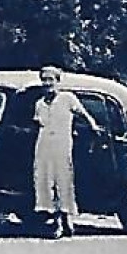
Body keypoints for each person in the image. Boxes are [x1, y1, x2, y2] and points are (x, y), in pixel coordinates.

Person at [33, 65, 100, 238]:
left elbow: (83, 114)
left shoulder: (67, 98)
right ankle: (56, 222)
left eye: (51, 79)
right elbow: (38, 123)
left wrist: (92, 126)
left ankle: (67, 218)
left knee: (63, 180)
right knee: (46, 181)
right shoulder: (39, 103)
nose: (47, 83)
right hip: (44, 145)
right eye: (44, 79)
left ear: (57, 81)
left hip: (62, 145)